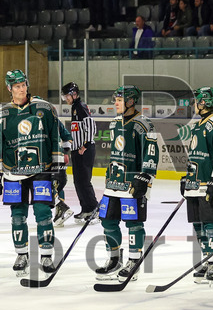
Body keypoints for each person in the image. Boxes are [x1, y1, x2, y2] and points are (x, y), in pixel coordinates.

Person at [0, 70, 64, 276]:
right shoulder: (1, 115)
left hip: (42, 169)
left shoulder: (45, 109)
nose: (21, 89)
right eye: (17, 86)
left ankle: (46, 255)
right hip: (13, 173)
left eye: (24, 85)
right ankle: (21, 253)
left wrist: (59, 167)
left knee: (43, 214)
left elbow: (55, 138)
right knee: (18, 217)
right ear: (9, 89)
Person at [93, 86, 158, 280]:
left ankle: (134, 261)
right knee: (107, 220)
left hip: (133, 183)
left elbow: (151, 153)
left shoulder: (145, 124)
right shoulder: (114, 123)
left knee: (134, 223)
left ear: (130, 101)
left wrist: (145, 177)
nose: (115, 103)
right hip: (114, 183)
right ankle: (115, 259)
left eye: (119, 100)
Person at [180, 87, 213, 284]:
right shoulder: (198, 125)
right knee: (198, 225)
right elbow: (196, 156)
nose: (194, 103)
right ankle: (208, 258)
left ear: (203, 102)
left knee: (211, 224)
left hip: (211, 183)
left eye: (196, 100)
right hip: (196, 183)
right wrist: (187, 177)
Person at [61, 82, 98, 222]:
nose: (65, 99)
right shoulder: (74, 108)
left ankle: (94, 208)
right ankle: (86, 209)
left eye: (66, 96)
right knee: (78, 181)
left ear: (74, 94)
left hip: (85, 150)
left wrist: (85, 145)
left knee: (84, 181)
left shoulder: (81, 107)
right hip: (77, 150)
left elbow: (91, 126)